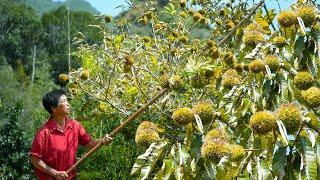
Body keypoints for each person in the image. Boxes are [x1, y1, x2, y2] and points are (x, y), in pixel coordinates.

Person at [30, 89, 112, 180]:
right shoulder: (44, 133)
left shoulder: (75, 126)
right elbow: (35, 160)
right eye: (64, 101)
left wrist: (103, 141)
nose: (68, 104)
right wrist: (55, 173)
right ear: (53, 108)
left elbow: (89, 143)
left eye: (67, 101)